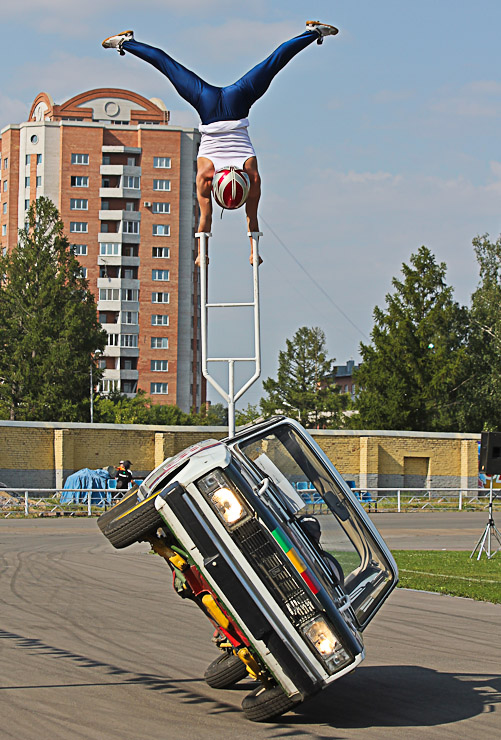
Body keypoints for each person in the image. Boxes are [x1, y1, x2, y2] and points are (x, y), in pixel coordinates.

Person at [102, 21, 339, 264]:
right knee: (169, 66)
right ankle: (127, 43)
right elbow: (206, 220)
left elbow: (250, 219)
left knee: (272, 63)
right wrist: (202, 253)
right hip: (208, 105)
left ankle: (312, 33)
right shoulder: (207, 178)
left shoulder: (251, 177)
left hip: (237, 102)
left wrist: (250, 251)